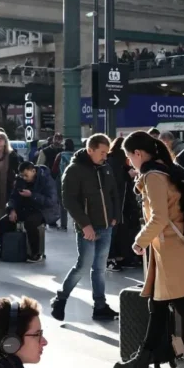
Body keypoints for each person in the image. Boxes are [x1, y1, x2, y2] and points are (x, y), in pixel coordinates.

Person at [113, 132, 184, 368]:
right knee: (157, 308)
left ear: (138, 154)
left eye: (128, 157)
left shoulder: (154, 177)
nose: (128, 163)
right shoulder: (165, 170)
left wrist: (139, 241)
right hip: (172, 251)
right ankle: (142, 361)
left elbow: (158, 217)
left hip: (172, 253)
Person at [50, 134, 119, 322]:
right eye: (102, 152)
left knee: (99, 268)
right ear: (90, 150)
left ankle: (100, 306)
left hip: (106, 226)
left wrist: (114, 216)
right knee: (84, 265)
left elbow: (113, 192)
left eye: (107, 152)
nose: (105, 156)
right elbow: (69, 200)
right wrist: (85, 225)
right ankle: (60, 298)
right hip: (88, 227)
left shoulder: (105, 168)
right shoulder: (74, 170)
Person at [4, 162, 59, 263]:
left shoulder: (46, 179)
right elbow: (13, 197)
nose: (24, 178)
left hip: (44, 210)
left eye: (26, 175)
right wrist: (11, 209)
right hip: (26, 208)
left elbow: (51, 201)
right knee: (4, 221)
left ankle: (36, 253)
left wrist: (32, 195)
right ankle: (4, 249)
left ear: (33, 171)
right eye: (22, 175)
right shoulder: (20, 180)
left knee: (31, 222)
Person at [107, 136, 140, 271]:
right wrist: (128, 176)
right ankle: (111, 259)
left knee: (120, 232)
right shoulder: (115, 163)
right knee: (114, 232)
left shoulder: (114, 162)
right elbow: (117, 183)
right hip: (116, 205)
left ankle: (119, 257)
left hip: (121, 205)